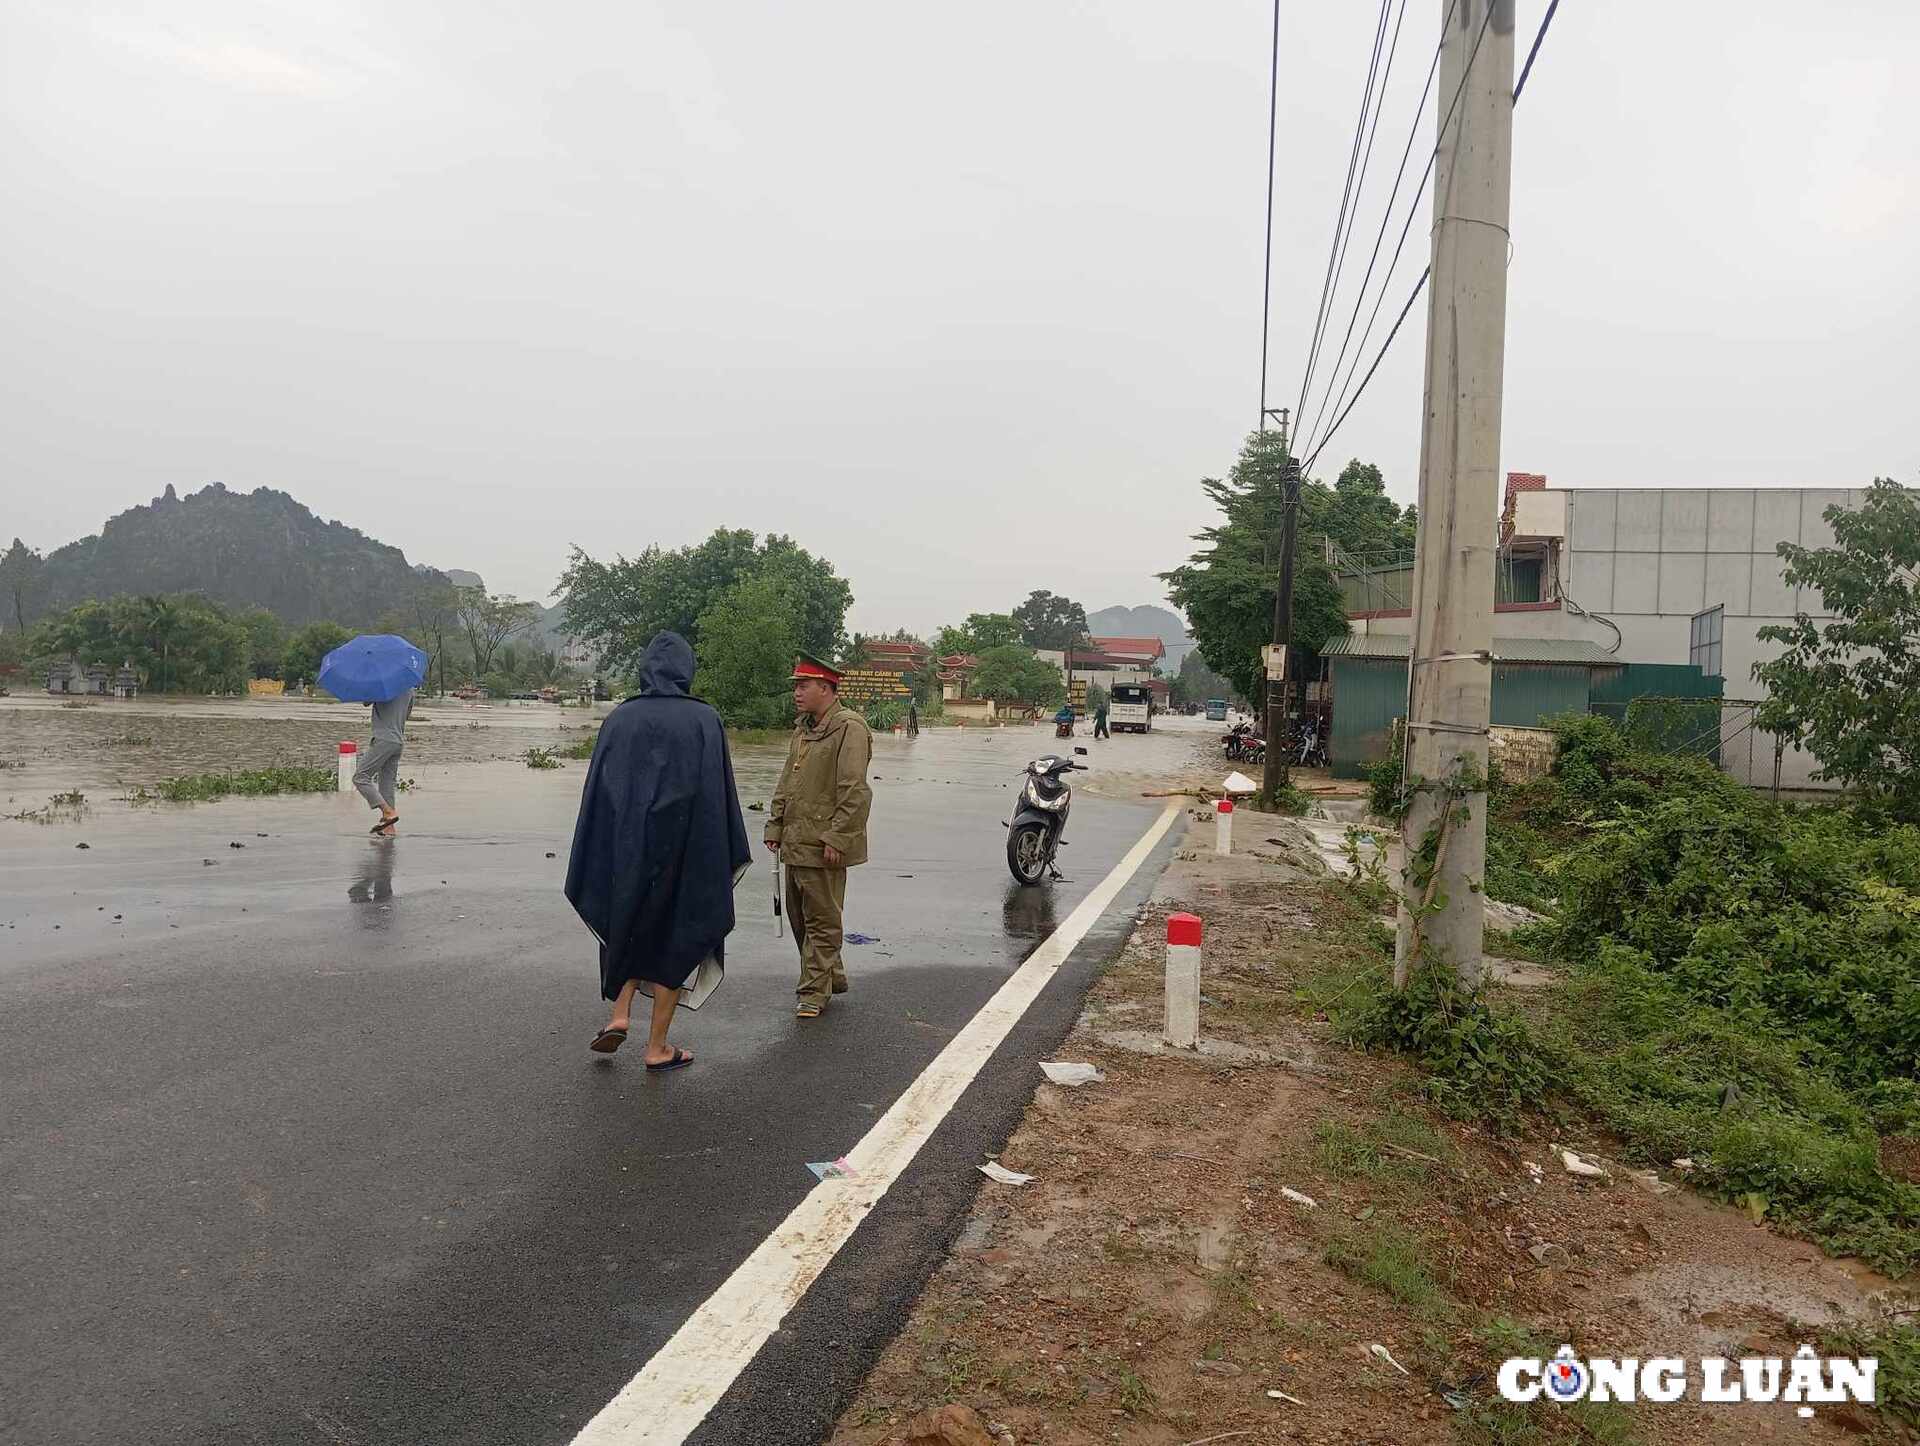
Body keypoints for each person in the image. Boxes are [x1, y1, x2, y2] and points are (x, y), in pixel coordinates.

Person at [565, 632, 751, 1069]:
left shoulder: (620, 719)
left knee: (625, 922)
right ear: (687, 670)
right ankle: (656, 1048)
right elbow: (717, 793)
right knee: (677, 937)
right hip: (686, 850)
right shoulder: (704, 719)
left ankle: (619, 1015)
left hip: (628, 847)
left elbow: (600, 796)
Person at [766, 654, 873, 1018]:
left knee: (822, 920)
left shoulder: (849, 728)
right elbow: (788, 781)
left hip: (823, 842)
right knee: (800, 918)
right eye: (796, 685)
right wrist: (775, 825)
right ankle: (832, 975)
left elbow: (854, 790)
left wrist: (837, 837)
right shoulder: (804, 729)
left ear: (825, 688)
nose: (796, 692)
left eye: (803, 685)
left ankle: (813, 992)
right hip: (796, 840)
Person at [354, 687, 415, 836]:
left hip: (384, 739)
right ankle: (389, 828)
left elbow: (365, 702)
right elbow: (406, 715)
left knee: (360, 777)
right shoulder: (410, 688)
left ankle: (388, 812)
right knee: (386, 784)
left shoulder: (381, 685)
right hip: (398, 741)